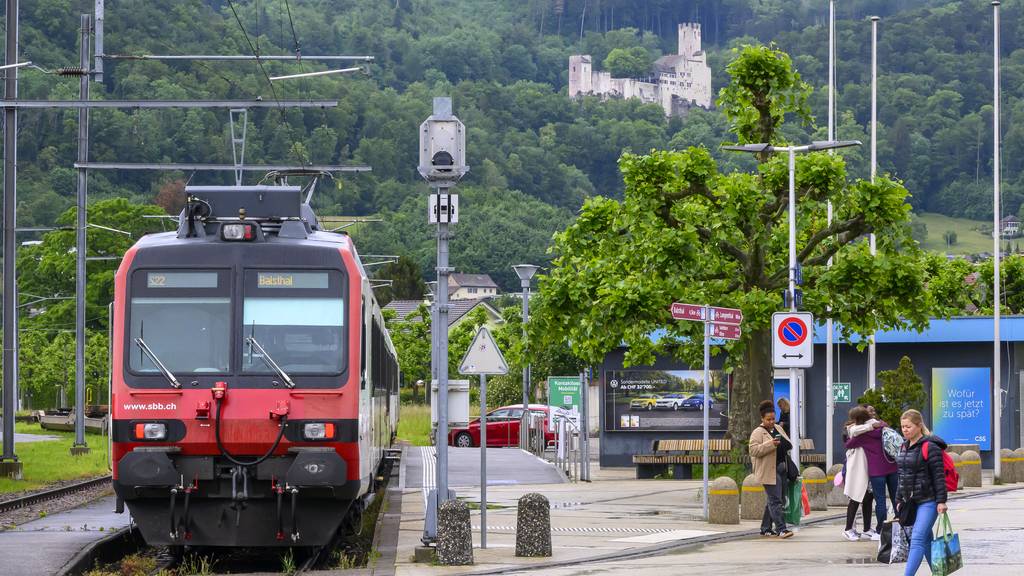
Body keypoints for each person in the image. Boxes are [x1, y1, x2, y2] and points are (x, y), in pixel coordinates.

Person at [896, 409, 948, 576]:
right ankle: (940, 573)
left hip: (929, 500)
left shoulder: (930, 447)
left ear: (919, 426)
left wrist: (941, 501)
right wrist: (898, 498)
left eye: (908, 426)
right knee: (925, 540)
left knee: (917, 539)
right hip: (910, 502)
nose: (905, 430)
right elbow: (902, 475)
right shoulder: (903, 446)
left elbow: (939, 476)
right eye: (902, 427)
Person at [846, 405, 899, 539]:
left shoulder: (863, 435)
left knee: (880, 501)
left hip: (877, 471)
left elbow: (848, 444)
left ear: (857, 420)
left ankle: (880, 530)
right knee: (896, 498)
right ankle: (902, 524)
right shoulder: (883, 427)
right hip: (892, 466)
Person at [749, 399, 794, 539]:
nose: (771, 421)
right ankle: (782, 529)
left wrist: (783, 443)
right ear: (762, 418)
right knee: (775, 500)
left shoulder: (777, 428)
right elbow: (754, 451)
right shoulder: (757, 432)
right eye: (768, 419)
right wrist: (770, 444)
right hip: (768, 470)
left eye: (773, 419)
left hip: (781, 468)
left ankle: (766, 528)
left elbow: (788, 444)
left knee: (775, 499)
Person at [841, 406, 875, 540]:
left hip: (866, 468)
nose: (873, 414)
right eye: (870, 412)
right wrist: (873, 426)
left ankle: (867, 528)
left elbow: (877, 425)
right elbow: (854, 431)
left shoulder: (866, 426)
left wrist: (874, 425)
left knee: (868, 499)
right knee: (855, 498)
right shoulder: (853, 428)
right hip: (856, 469)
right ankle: (848, 529)